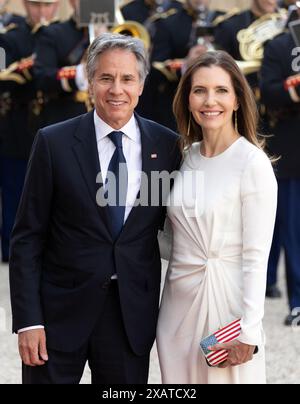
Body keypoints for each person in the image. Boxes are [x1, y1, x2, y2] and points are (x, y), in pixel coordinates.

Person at [9, 32, 181, 384]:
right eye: (105, 78)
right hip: (57, 316)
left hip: (129, 318)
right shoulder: (52, 142)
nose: (116, 89)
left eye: (127, 78)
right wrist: (29, 320)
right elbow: (27, 238)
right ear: (89, 82)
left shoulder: (167, 147)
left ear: (142, 85)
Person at [156, 51, 277, 384]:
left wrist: (249, 331)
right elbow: (168, 235)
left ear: (238, 100)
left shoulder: (252, 164)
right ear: (188, 99)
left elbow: (257, 257)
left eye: (222, 90)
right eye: (200, 90)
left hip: (227, 310)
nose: (210, 101)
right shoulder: (184, 157)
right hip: (176, 308)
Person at [0, 0, 59, 263]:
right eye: (36, 5)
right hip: (18, 128)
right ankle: (13, 253)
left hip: (54, 123)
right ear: (26, 5)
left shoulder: (61, 35)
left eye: (49, 6)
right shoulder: (10, 38)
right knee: (16, 192)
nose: (43, 12)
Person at [260, 4, 300, 324]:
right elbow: (269, 92)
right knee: (292, 230)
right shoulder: (279, 44)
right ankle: (297, 302)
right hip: (292, 148)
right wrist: (295, 87)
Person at [143, 0, 224, 130]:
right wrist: (186, 64)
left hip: (216, 107)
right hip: (178, 109)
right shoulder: (167, 23)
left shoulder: (223, 22)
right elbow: (157, 67)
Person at [33, 0, 90, 127]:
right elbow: (42, 77)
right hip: (68, 119)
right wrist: (80, 73)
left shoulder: (118, 32)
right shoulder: (53, 33)